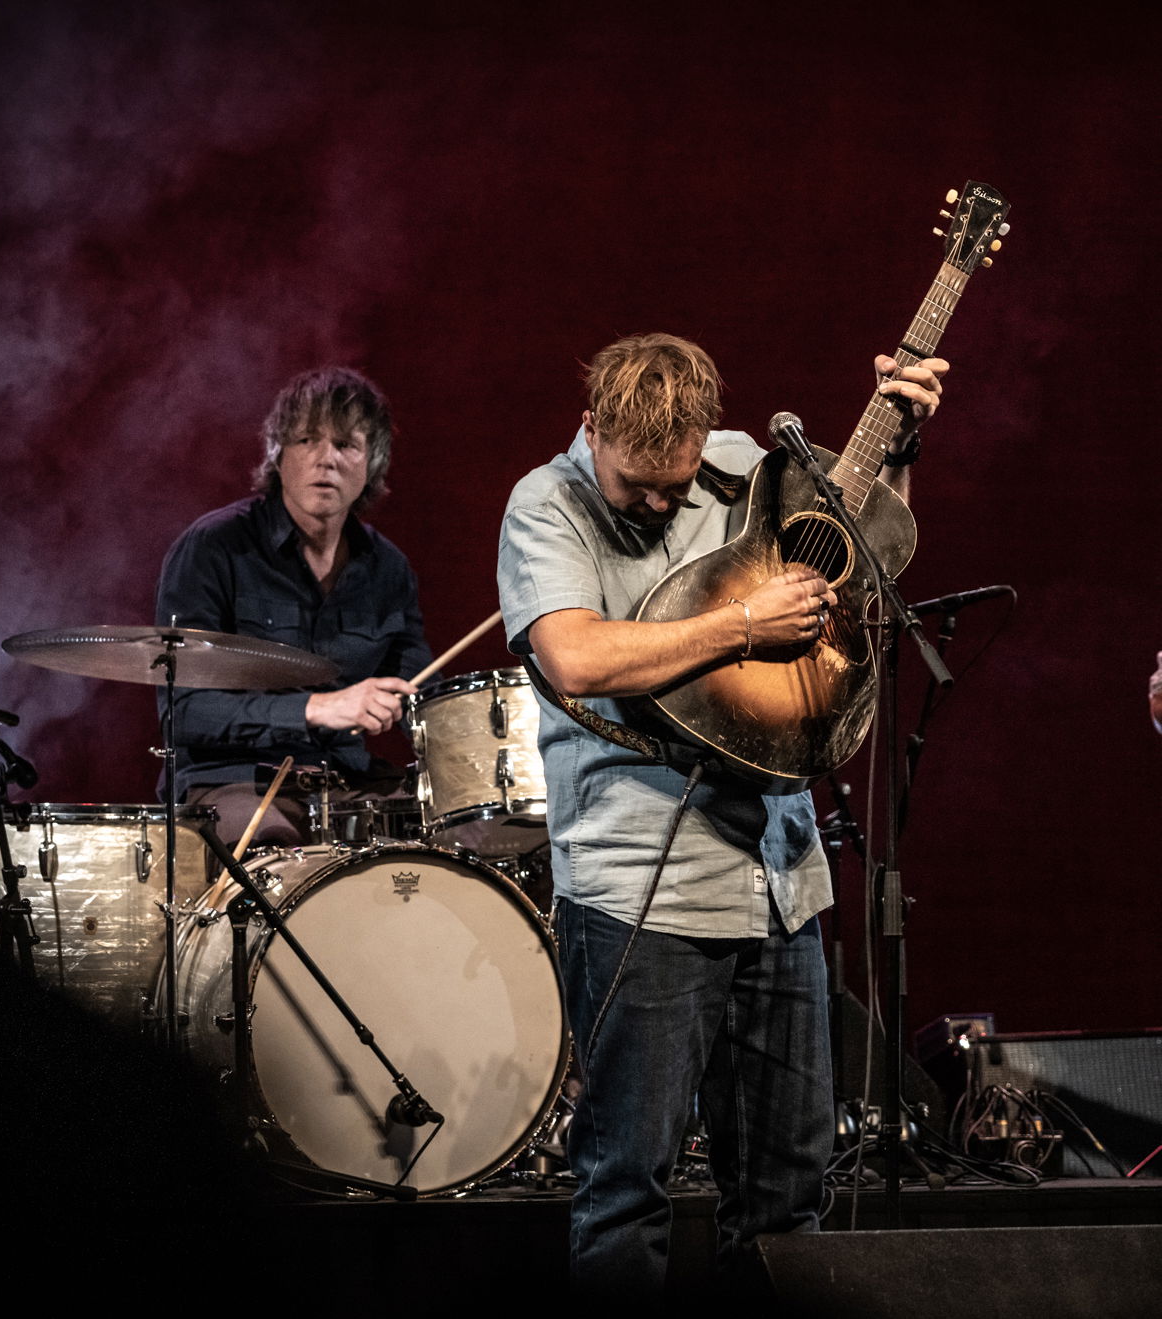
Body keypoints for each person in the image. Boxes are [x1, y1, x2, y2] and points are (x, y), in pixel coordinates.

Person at [496, 332, 946, 1300]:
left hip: (780, 882)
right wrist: (744, 624)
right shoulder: (547, 503)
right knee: (628, 1189)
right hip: (637, 889)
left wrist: (898, 445)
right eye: (638, 485)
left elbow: (874, 556)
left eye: (677, 480)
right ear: (592, 429)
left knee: (790, 1189)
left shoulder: (749, 465)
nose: (661, 502)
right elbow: (577, 657)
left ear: (707, 435)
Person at [156, 366, 432, 846]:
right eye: (307, 440)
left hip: (345, 783)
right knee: (278, 849)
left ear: (372, 464)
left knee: (469, 835)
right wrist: (319, 708)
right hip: (233, 782)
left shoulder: (388, 568)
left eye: (346, 445)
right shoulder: (213, 547)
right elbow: (185, 712)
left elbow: (420, 698)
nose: (326, 460)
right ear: (277, 455)